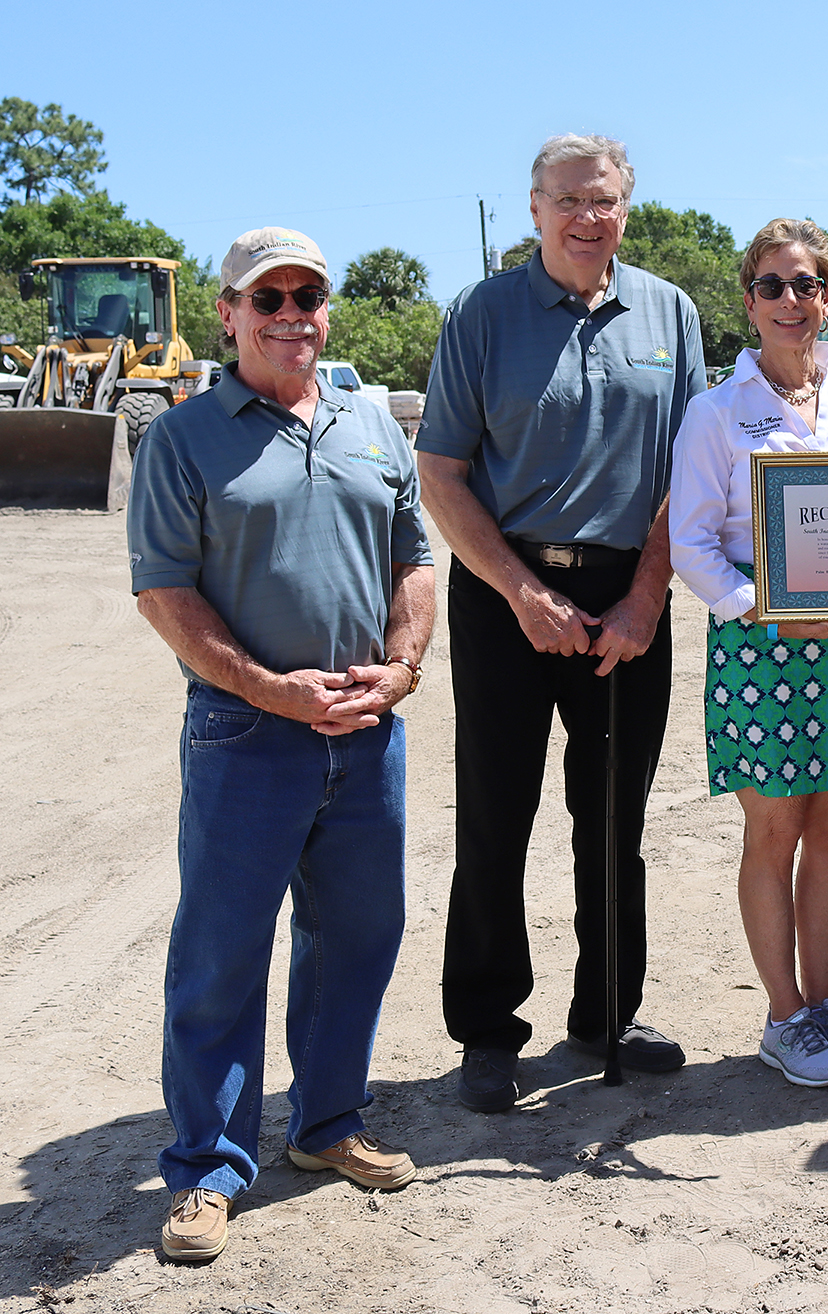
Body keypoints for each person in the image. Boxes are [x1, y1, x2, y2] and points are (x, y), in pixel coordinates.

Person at [127, 227, 434, 1260]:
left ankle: (328, 1126)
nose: (292, 312)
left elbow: (413, 558)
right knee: (220, 955)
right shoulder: (184, 440)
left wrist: (401, 668)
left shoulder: (370, 424)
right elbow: (164, 594)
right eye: (269, 298)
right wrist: (272, 690)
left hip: (365, 732)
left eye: (308, 294)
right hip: (244, 734)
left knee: (356, 938)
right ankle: (208, 1166)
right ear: (228, 314)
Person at [417, 134, 707, 1112]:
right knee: (496, 818)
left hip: (629, 599)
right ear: (535, 208)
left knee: (614, 822)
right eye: (569, 200)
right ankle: (489, 1028)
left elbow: (690, 475)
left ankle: (606, 1013)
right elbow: (443, 474)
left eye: (606, 201)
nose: (589, 217)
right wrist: (518, 592)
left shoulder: (669, 313)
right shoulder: (482, 313)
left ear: (627, 208)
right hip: (508, 595)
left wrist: (646, 596)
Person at [669, 220, 828, 1087]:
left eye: (806, 285)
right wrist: (764, 617)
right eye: (773, 285)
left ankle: (825, 1001)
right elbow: (691, 544)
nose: (791, 301)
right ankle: (782, 1016)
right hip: (761, 651)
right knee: (774, 831)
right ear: (749, 300)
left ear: (824, 297)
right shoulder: (714, 412)